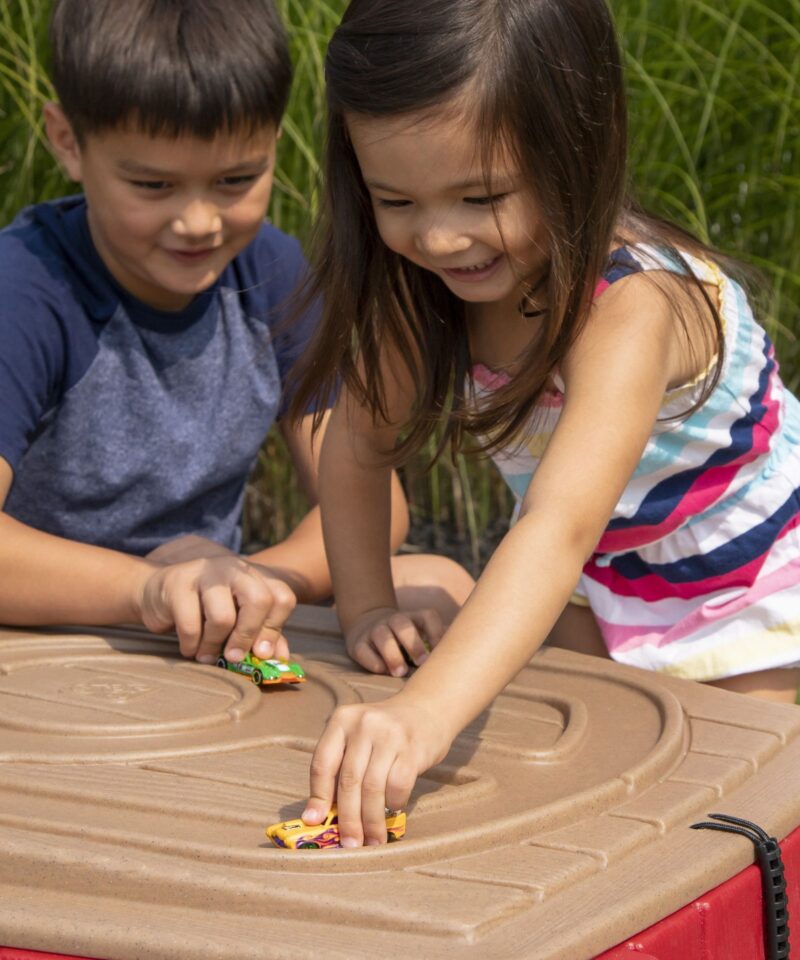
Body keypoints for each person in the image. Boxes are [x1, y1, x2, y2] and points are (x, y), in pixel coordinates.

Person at [289, 0, 800, 846]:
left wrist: (421, 713)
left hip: (737, 582)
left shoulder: (631, 306)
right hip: (597, 579)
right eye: (396, 199)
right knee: (577, 777)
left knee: (724, 811)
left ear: (575, 151)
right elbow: (355, 448)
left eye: (481, 196)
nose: (442, 236)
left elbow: (557, 524)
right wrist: (366, 609)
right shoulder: (421, 293)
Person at [0, 0, 474, 668]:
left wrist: (249, 585)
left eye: (235, 180)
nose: (199, 222)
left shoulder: (271, 274)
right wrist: (152, 588)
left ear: (273, 144)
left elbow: (375, 501)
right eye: (153, 184)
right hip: (53, 626)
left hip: (209, 613)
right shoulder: (23, 288)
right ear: (68, 141)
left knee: (447, 581)